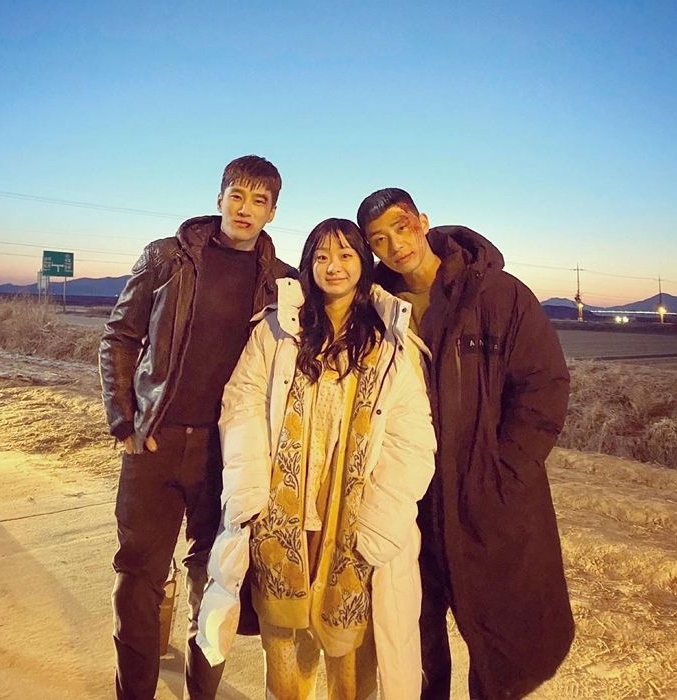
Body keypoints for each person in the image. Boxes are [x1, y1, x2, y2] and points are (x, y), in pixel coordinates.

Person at [357, 189, 574, 700]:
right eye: (379, 240)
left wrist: (505, 472)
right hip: (410, 495)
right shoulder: (378, 307)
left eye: (401, 227)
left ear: (423, 221)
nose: (395, 245)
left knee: (500, 636)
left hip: (483, 492)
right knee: (415, 631)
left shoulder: (496, 294)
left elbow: (543, 386)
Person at [99, 155, 295, 699]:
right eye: (237, 196)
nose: (245, 209)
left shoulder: (282, 283)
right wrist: (124, 420)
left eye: (259, 201)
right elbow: (120, 337)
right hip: (155, 443)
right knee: (138, 578)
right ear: (219, 199)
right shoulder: (167, 257)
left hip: (226, 452)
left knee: (214, 583)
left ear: (273, 212)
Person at [214, 218, 436, 699]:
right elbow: (242, 403)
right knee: (284, 643)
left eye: (345, 255)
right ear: (308, 264)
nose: (333, 266)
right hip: (282, 511)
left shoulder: (389, 341)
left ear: (363, 264)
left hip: (353, 517)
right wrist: (249, 490)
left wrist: (381, 519)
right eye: (321, 257)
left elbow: (411, 437)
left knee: (350, 652)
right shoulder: (278, 330)